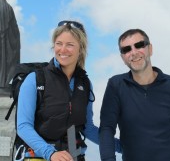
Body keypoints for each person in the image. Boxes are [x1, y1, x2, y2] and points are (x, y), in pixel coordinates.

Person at [17, 21, 121, 161]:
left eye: (70, 45)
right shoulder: (36, 79)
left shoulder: (84, 83)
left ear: (81, 49)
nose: (63, 49)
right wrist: (51, 153)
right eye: (59, 43)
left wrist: (121, 147)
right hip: (40, 156)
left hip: (74, 156)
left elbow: (88, 128)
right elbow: (23, 126)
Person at [99, 28, 170, 161]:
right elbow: (107, 127)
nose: (133, 52)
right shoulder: (115, 85)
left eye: (139, 45)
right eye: (126, 49)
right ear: (123, 57)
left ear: (150, 49)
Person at [0, 0, 20, 91]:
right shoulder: (8, 8)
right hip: (6, 42)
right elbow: (14, 28)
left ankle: (2, 82)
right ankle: (3, 81)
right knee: (6, 61)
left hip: (4, 41)